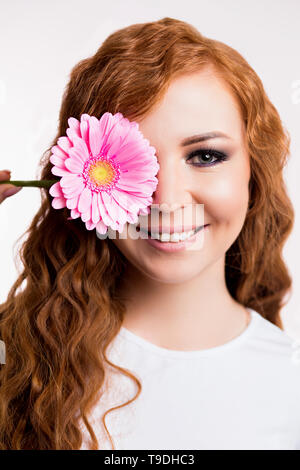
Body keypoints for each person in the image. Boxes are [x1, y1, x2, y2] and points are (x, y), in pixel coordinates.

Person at [0, 17, 299, 451]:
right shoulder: (14, 360)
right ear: (76, 177)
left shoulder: (289, 386)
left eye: (206, 155)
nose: (167, 198)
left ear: (255, 171)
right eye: (128, 164)